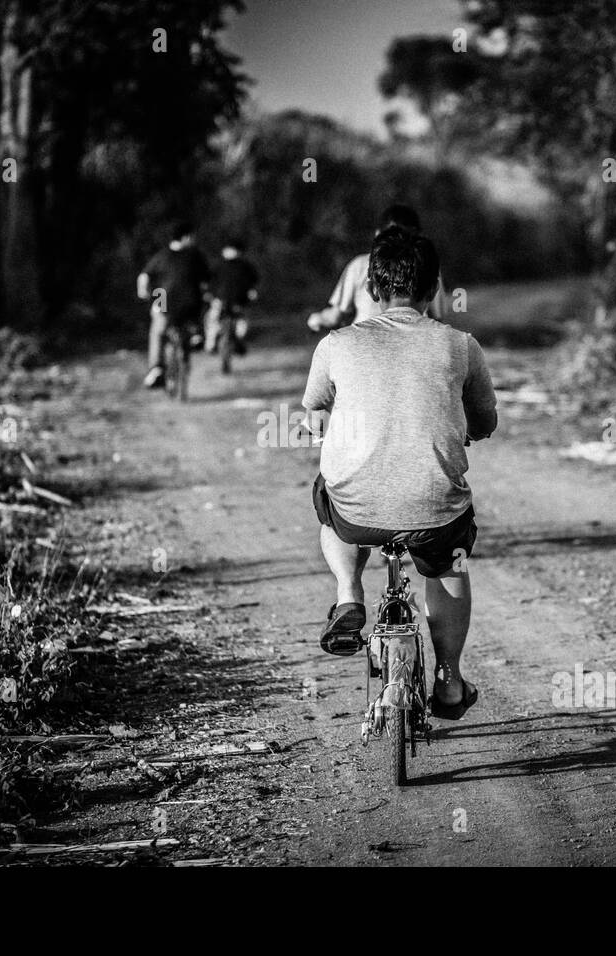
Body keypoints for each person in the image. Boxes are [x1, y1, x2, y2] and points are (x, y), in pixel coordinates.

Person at [301, 226, 497, 720]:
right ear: (434, 291)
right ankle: (449, 683)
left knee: (331, 501)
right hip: (436, 510)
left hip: (356, 509)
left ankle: (348, 596)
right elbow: (486, 421)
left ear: (371, 289)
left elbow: (313, 414)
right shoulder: (460, 345)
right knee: (449, 563)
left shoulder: (336, 344)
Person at [306, 204, 449, 332]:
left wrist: (317, 319)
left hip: (362, 345)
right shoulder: (428, 266)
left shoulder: (360, 265)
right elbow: (438, 319)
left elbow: (336, 315)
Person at [137, 221, 209, 389]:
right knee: (199, 306)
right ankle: (196, 334)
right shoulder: (195, 255)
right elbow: (206, 281)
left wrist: (144, 293)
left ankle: (156, 368)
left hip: (162, 297)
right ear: (186, 237)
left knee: (158, 331)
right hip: (191, 300)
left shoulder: (161, 256)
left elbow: (144, 277)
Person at [204, 237, 259, 362]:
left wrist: (251, 292)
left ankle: (235, 343)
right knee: (213, 321)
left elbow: (252, 283)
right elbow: (210, 283)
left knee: (239, 324)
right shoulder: (220, 266)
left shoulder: (244, 266)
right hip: (222, 301)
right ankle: (211, 342)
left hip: (237, 302)